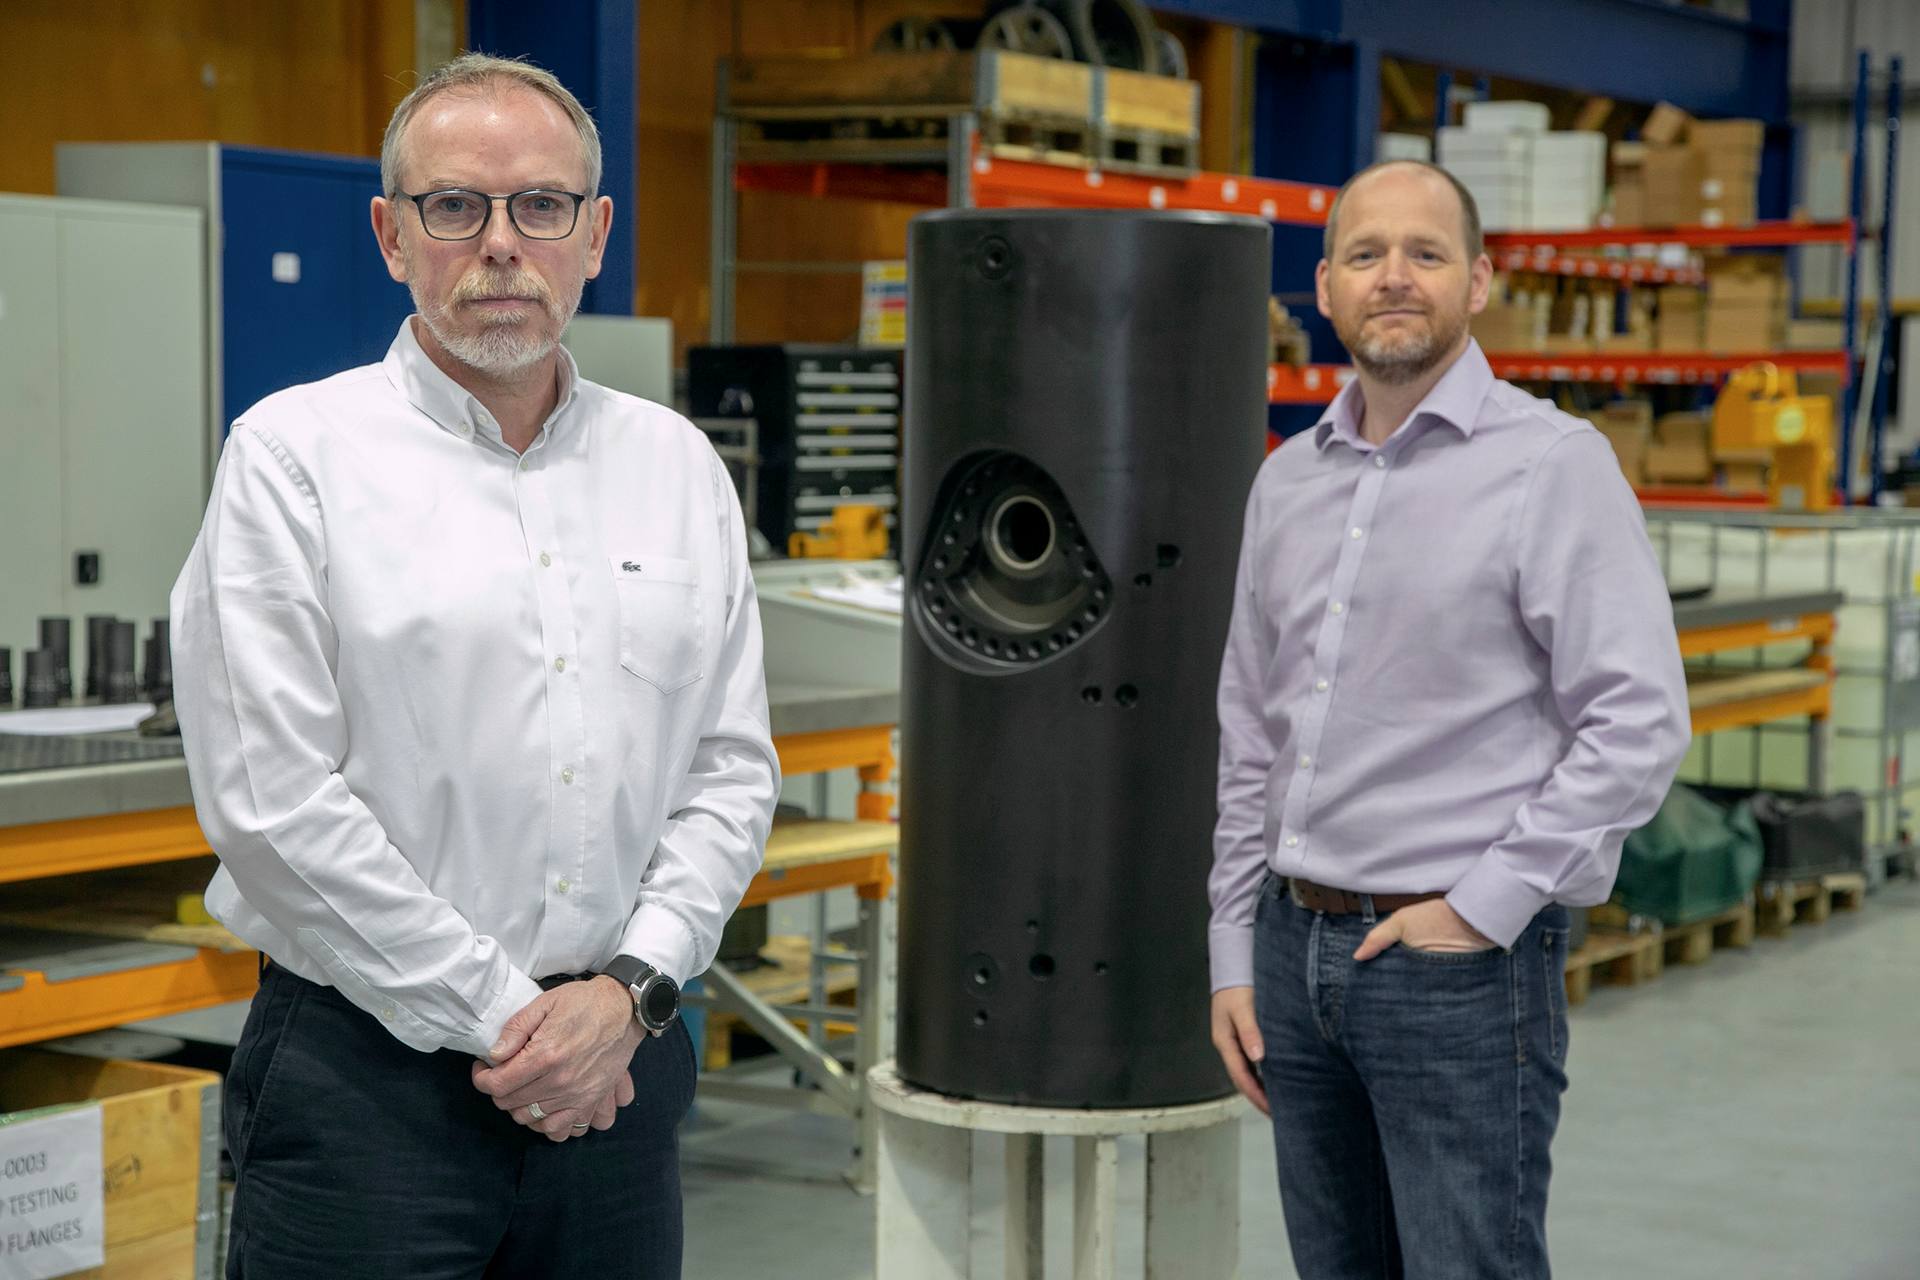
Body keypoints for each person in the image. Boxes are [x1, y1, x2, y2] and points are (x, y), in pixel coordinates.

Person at [172, 53, 779, 1279]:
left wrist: (627, 993)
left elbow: (729, 770)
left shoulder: (675, 468)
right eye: (455, 206)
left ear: (595, 233)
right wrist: (513, 1018)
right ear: (393, 235)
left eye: (541, 205)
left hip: (620, 1068)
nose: (501, 242)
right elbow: (275, 810)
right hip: (370, 1084)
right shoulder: (294, 458)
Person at [1207, 159, 1690, 1278]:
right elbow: (1251, 729)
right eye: (1367, 254)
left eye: (1425, 254)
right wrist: (1236, 950)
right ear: (1324, 288)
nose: (1395, 278)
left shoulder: (1551, 467)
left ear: (1479, 282)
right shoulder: (1287, 483)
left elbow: (1637, 718)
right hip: (1290, 952)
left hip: (1456, 974)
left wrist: (1482, 908)